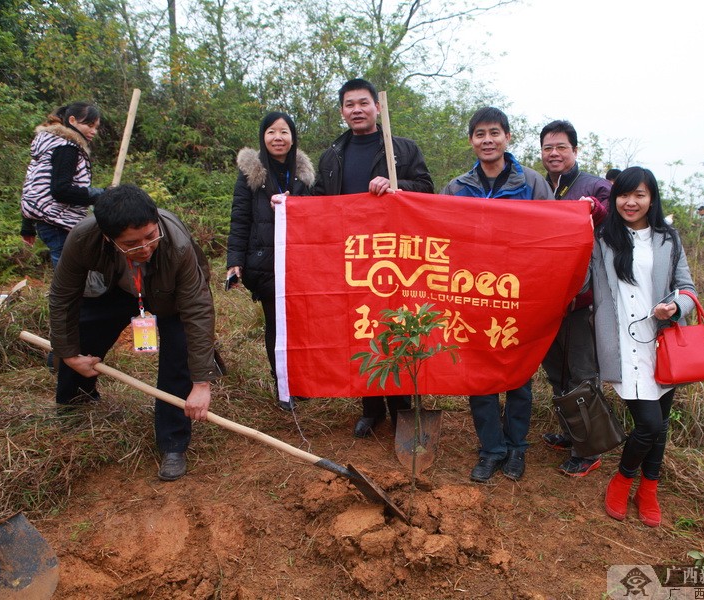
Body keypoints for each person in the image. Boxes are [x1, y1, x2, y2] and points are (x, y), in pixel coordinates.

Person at [48, 185, 218, 481]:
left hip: (171, 294)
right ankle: (75, 405)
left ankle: (173, 443)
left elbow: (198, 309)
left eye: (151, 236)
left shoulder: (176, 245)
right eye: (131, 243)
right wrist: (68, 352)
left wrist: (201, 382)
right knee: (85, 329)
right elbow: (64, 296)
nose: (145, 248)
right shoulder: (83, 239)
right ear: (108, 238)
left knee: (178, 359)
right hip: (120, 287)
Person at [312, 78, 434, 438]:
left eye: (363, 103)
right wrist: (289, 205)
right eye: (349, 105)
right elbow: (320, 202)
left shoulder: (403, 149)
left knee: (395, 329)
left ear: (377, 107)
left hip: (393, 258)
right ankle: (370, 408)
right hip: (349, 258)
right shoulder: (332, 155)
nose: (357, 110)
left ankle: (401, 410)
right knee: (359, 331)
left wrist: (398, 186)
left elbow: (427, 188)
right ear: (342, 112)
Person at [441, 107, 554, 483]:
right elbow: (441, 234)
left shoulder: (534, 183)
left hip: (520, 295)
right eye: (479, 134)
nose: (487, 140)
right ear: (471, 141)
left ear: (507, 137)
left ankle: (517, 447)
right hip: (473, 294)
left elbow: (554, 236)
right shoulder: (457, 188)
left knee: (519, 373)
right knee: (480, 373)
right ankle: (491, 448)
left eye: (494, 133)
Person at [590, 167, 697, 528]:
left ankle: (648, 488)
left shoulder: (669, 239)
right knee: (649, 424)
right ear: (614, 197)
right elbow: (583, 281)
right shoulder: (603, 238)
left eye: (639, 195)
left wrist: (676, 306)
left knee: (660, 424)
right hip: (624, 344)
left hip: (663, 344)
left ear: (651, 198)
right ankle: (622, 479)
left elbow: (688, 287)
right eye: (623, 194)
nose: (630, 202)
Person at [535, 120, 610, 477]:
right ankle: (570, 434)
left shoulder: (594, 186)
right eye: (548, 148)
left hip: (581, 300)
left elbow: (617, 214)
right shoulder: (536, 187)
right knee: (556, 371)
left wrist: (593, 207)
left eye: (561, 147)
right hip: (544, 299)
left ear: (575, 151)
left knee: (581, 372)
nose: (554, 153)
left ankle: (590, 448)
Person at [226, 112, 314, 412]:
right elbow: (240, 217)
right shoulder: (252, 173)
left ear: (293, 137)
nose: (278, 138)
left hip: (299, 262)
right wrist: (235, 261)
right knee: (277, 324)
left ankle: (299, 382)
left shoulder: (304, 176)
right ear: (263, 137)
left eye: (284, 132)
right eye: (271, 132)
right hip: (265, 262)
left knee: (300, 325)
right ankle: (283, 387)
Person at [21, 102, 104, 267]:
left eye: (96, 127)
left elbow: (33, 185)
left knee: (71, 271)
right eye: (89, 125)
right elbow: (60, 191)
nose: (94, 131)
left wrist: (27, 225)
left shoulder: (50, 144)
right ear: (72, 120)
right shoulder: (67, 148)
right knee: (68, 274)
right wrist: (100, 194)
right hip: (57, 222)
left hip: (47, 221)